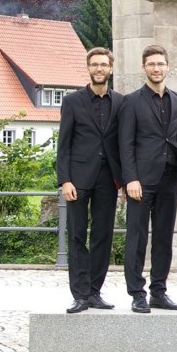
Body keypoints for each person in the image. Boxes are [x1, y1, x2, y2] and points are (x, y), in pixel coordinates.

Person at [119, 44, 177, 313]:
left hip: (170, 177)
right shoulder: (131, 101)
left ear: (168, 67)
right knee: (136, 238)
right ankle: (137, 293)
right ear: (144, 68)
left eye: (160, 64)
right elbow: (125, 143)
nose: (156, 69)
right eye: (151, 64)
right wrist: (130, 179)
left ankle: (159, 290)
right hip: (141, 180)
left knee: (163, 237)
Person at [56, 47, 123, 313]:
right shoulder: (73, 101)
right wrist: (65, 180)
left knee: (102, 235)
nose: (99, 69)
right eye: (94, 64)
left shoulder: (120, 102)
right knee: (76, 235)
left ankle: (95, 291)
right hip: (78, 179)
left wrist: (124, 180)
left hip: (108, 179)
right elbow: (64, 143)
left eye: (103, 64)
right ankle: (80, 294)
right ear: (88, 68)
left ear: (111, 69)